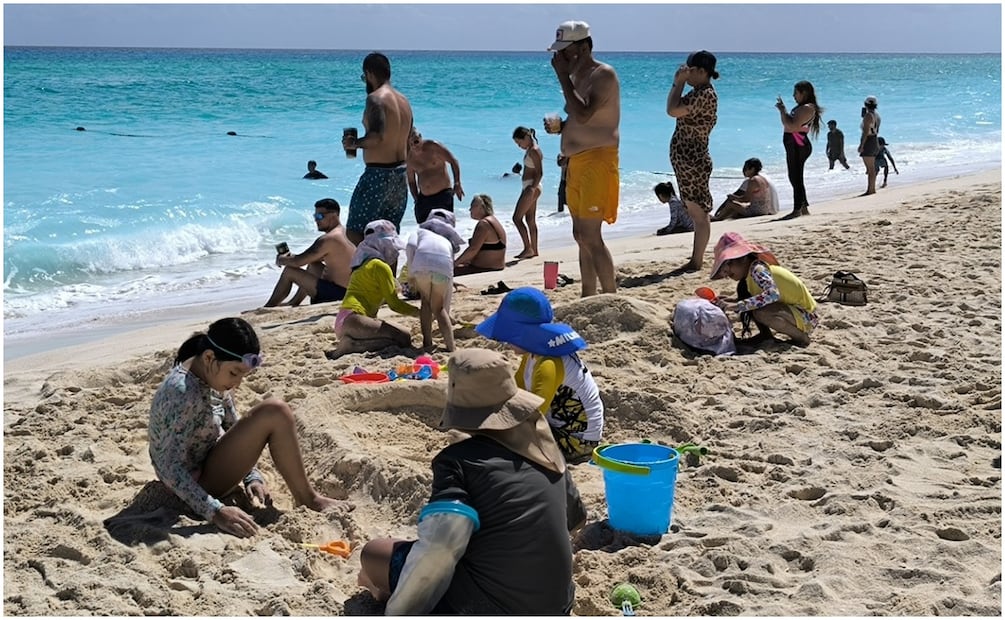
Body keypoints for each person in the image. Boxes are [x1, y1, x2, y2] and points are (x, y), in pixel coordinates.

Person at [356, 348, 587, 615]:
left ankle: (381, 591)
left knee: (374, 553)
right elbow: (574, 521)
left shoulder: (457, 461)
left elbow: (441, 547)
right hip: (556, 605)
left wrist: (399, 610)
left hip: (488, 607)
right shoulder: (546, 448)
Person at [148, 317, 350, 538]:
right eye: (234, 373)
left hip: (207, 463)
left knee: (276, 411)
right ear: (208, 357)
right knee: (275, 411)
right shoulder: (182, 393)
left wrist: (251, 477)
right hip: (190, 488)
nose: (237, 383)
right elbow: (169, 468)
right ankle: (308, 499)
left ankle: (306, 497)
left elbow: (233, 426)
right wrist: (215, 511)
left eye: (243, 375)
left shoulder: (210, 374)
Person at [476, 287, 604, 461]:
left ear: (523, 334)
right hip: (559, 426)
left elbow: (534, 413)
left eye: (508, 336)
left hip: (578, 441)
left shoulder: (548, 365)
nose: (506, 342)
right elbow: (516, 391)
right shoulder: (533, 353)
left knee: (502, 443)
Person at [547, 20, 620, 297]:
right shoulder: (577, 76)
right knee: (580, 236)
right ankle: (588, 294)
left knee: (591, 235)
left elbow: (585, 113)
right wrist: (563, 130)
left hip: (598, 161)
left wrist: (563, 77)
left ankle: (611, 296)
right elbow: (581, 120)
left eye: (565, 51)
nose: (560, 58)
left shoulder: (603, 75)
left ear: (583, 48)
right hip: (577, 161)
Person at [342, 52, 413, 244]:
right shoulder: (404, 101)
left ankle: (363, 273)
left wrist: (353, 144)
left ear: (369, 73)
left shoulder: (375, 99)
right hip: (400, 175)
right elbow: (410, 138)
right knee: (390, 234)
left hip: (377, 175)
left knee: (356, 232)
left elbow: (377, 137)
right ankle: (388, 274)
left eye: (364, 77)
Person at [708, 232, 818, 347]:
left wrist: (738, 305)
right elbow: (759, 298)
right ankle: (765, 335)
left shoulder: (758, 269)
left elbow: (773, 295)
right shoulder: (749, 277)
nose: (726, 272)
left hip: (807, 316)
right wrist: (731, 301)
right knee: (752, 304)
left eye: (729, 264)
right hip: (795, 312)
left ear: (744, 258)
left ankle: (801, 338)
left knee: (761, 312)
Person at [329, 220, 419, 358]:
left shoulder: (363, 262)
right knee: (403, 338)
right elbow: (394, 305)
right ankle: (352, 346)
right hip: (355, 318)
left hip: (346, 319)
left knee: (396, 337)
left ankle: (353, 341)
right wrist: (420, 313)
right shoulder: (380, 266)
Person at [666, 50, 719, 273]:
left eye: (690, 69)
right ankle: (695, 259)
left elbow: (672, 110)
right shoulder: (700, 92)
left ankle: (697, 261)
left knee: (698, 212)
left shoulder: (704, 94)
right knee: (695, 210)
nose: (686, 73)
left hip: (693, 160)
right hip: (689, 159)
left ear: (702, 71)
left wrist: (677, 84)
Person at [264, 198, 355, 307]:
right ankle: (294, 302)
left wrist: (281, 259)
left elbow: (298, 262)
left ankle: (268, 306)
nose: (316, 220)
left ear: (333, 215)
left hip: (338, 295)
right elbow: (309, 258)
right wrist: (291, 258)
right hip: (348, 291)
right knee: (313, 265)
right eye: (315, 216)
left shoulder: (328, 239)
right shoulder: (345, 233)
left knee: (289, 271)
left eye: (320, 216)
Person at [405, 209, 463, 352]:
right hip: (443, 268)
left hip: (421, 265)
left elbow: (411, 247)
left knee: (426, 302)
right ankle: (451, 346)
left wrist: (411, 274)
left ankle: (427, 342)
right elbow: (449, 270)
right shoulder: (446, 241)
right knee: (439, 308)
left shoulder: (418, 233)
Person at [776, 80, 823, 220]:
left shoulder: (807, 107)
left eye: (796, 93)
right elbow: (790, 124)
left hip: (798, 143)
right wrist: (783, 110)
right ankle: (803, 207)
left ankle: (797, 209)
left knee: (796, 176)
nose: (793, 96)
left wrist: (783, 111)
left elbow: (792, 126)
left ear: (804, 93)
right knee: (794, 176)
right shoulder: (803, 107)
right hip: (796, 143)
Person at [405, 127, 465, 224]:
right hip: (424, 199)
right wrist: (416, 199)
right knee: (425, 231)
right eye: (410, 144)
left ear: (420, 137)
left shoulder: (434, 147)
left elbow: (453, 161)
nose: (414, 146)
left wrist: (457, 183)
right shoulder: (410, 158)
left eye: (416, 142)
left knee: (445, 228)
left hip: (443, 195)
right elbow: (411, 181)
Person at [454, 194, 507, 276]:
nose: (470, 209)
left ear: (480, 207)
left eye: (472, 206)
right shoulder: (493, 220)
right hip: (496, 266)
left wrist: (455, 263)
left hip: (486, 268)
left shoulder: (483, 224)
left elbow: (473, 249)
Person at [711, 158, 780, 221]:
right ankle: (722, 216)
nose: (743, 171)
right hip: (765, 209)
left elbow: (746, 199)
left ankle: (718, 218)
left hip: (756, 211)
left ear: (752, 169)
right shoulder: (763, 178)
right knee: (736, 209)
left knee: (730, 204)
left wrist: (733, 197)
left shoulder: (753, 180)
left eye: (745, 168)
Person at [512, 126, 543, 259]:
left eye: (519, 143)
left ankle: (527, 248)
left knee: (517, 218)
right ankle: (534, 250)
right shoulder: (531, 149)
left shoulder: (534, 151)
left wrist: (532, 189)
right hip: (530, 186)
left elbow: (540, 172)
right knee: (530, 219)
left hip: (531, 187)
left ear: (526, 137)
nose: (519, 146)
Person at [858, 95, 882, 196]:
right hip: (874, 139)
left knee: (870, 168)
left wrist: (861, 145)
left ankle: (870, 189)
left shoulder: (868, 116)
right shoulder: (877, 115)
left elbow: (865, 132)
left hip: (869, 140)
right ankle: (871, 188)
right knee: (871, 168)